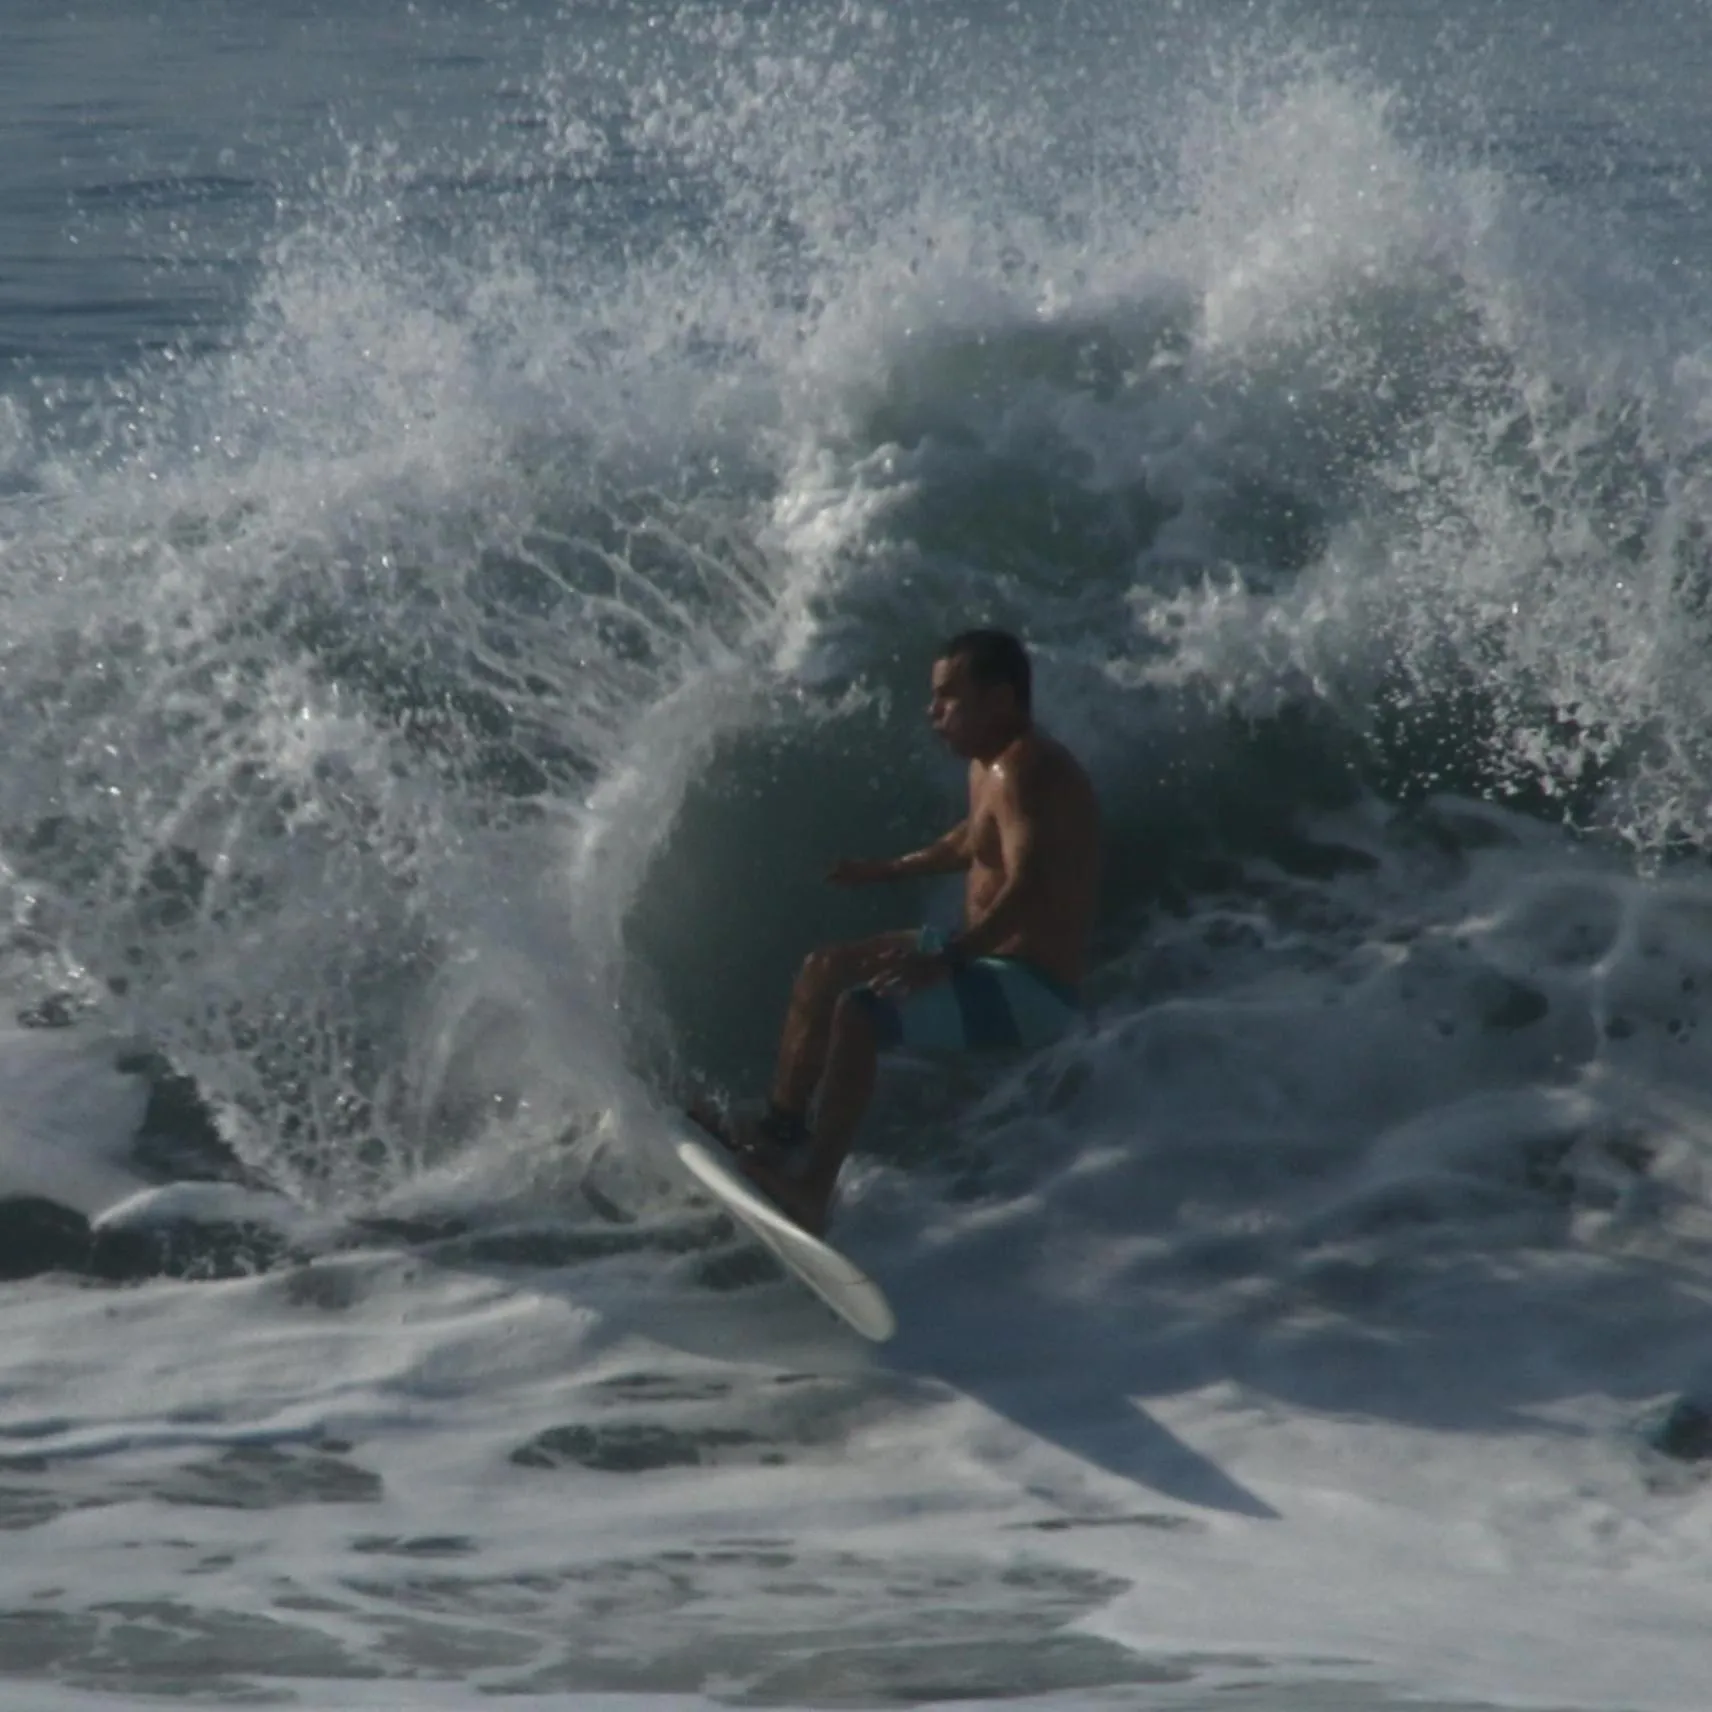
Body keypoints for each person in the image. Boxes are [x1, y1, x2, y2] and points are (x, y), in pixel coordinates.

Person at [692, 628, 1100, 1236]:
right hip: (989, 962)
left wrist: (949, 960)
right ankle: (778, 1133)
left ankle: (812, 1191)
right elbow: (971, 841)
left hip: (1032, 988)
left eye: (947, 697)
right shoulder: (988, 765)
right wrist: (885, 870)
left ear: (1000, 699)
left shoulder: (1028, 771)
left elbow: (1028, 890)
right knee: (823, 968)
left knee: (861, 1012)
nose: (933, 712)